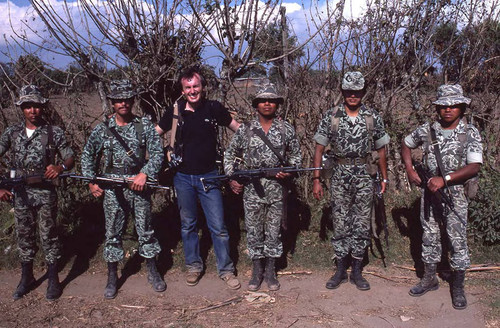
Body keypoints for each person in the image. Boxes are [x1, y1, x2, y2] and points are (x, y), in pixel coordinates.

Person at [156, 67, 241, 289]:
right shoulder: (174, 112)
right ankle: (193, 266)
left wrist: (260, 135)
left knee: (218, 226)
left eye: (196, 86)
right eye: (188, 87)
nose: (192, 91)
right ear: (182, 90)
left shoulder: (214, 108)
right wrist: (160, 154)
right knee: (188, 225)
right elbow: (152, 134)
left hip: (209, 177)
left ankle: (226, 270)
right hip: (182, 178)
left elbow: (239, 130)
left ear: (202, 87)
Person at [81, 79, 166, 299]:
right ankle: (112, 276)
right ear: (112, 103)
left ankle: (152, 271)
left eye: (127, 99)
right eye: (118, 100)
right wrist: (91, 181)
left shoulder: (144, 125)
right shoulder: (102, 130)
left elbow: (157, 154)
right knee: (112, 233)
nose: (123, 103)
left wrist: (144, 173)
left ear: (132, 101)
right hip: (112, 189)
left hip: (139, 187)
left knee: (145, 230)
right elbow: (88, 155)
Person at [401, 84, 482, 310]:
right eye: (443, 106)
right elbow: (406, 144)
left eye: (453, 106)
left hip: (456, 194)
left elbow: (474, 166)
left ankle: (457, 287)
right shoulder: (427, 130)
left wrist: (444, 179)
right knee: (429, 234)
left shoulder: (470, 132)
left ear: (462, 108)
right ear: (437, 108)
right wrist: (410, 170)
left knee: (457, 239)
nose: (448, 110)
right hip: (430, 191)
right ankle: (429, 278)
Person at [312, 71, 390, 291]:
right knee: (340, 219)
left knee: (362, 221)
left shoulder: (372, 116)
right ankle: (340, 268)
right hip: (339, 174)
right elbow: (319, 147)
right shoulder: (332, 116)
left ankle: (356, 268)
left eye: (357, 92)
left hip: (365, 175)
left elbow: (381, 149)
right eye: (349, 92)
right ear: (343, 92)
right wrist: (316, 179)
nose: (353, 96)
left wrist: (384, 177)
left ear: (363, 92)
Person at [0, 85, 75, 300]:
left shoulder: (54, 132)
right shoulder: (12, 133)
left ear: (42, 107)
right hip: (20, 193)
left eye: (36, 106)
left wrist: (60, 167)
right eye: (28, 106)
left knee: (49, 236)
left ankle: (53, 279)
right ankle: (27, 278)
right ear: (22, 108)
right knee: (24, 236)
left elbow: (69, 156)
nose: (33, 110)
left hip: (45, 193)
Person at [224, 85, 301, 291]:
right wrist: (233, 177)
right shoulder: (246, 129)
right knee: (254, 230)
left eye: (272, 100)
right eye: (263, 100)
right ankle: (257, 269)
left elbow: (296, 158)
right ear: (256, 104)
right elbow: (230, 154)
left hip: (277, 190)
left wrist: (289, 171)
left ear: (277, 104)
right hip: (252, 190)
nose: (267, 104)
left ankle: (270, 270)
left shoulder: (287, 130)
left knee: (274, 231)